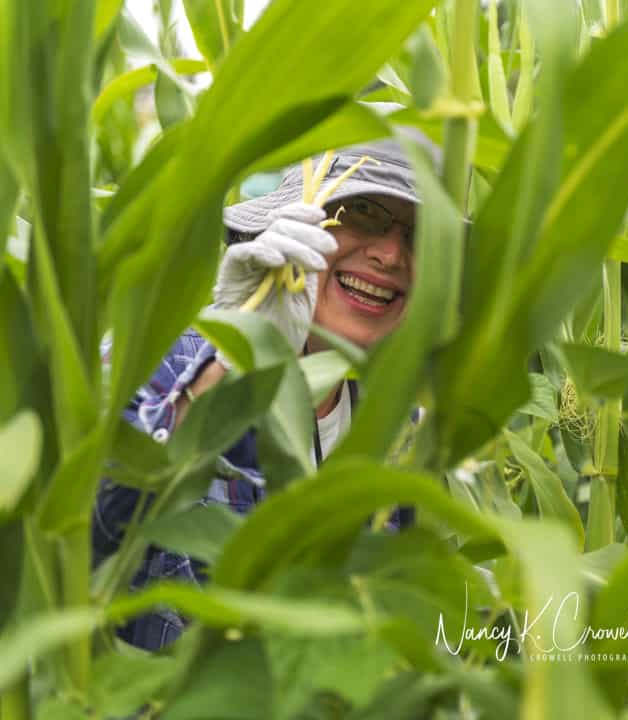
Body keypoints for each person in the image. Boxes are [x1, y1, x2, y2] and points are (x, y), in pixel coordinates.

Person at [93, 129, 438, 651]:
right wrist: (233, 360)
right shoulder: (161, 351)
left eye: (419, 235)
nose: (391, 255)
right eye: (364, 211)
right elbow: (79, 536)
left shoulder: (397, 429)